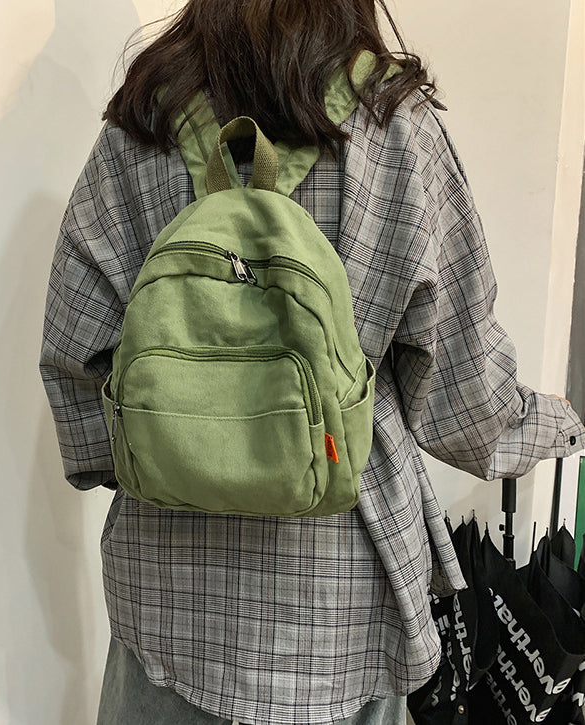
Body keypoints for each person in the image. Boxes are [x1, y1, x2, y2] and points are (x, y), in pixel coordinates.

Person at [38, 1, 585, 723]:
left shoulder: (145, 119)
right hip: (339, 616)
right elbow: (466, 406)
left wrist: (181, 448)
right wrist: (557, 422)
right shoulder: (393, 126)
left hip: (168, 606)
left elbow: (75, 355)